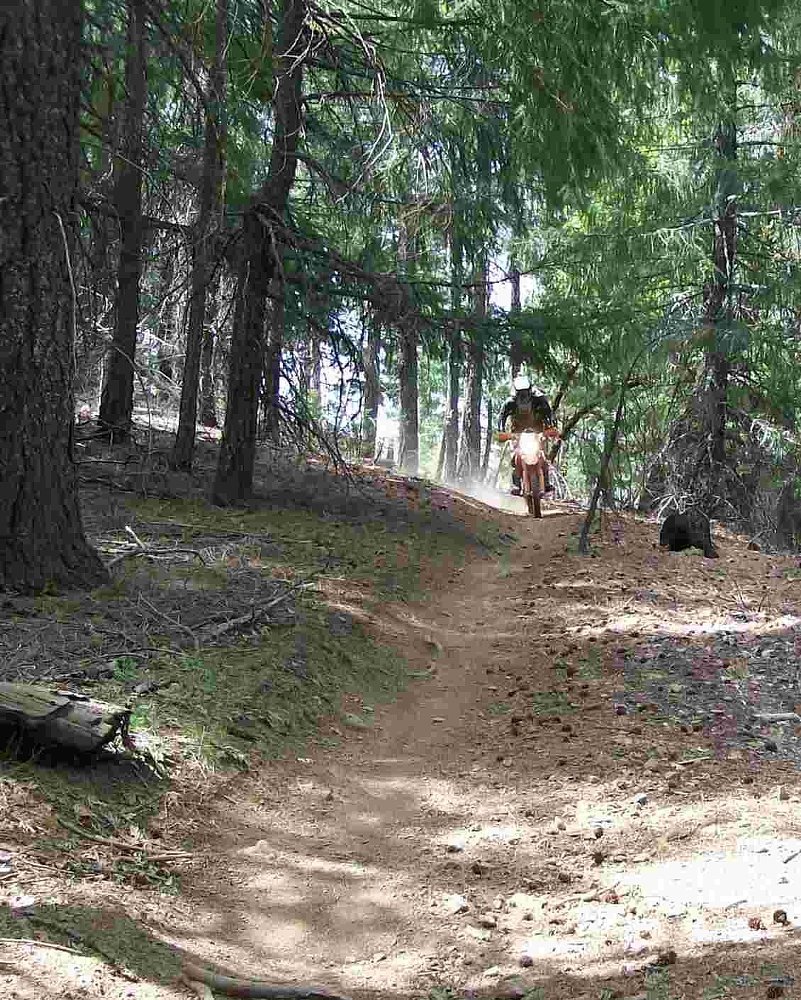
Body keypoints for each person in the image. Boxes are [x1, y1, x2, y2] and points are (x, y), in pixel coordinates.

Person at [498, 374, 557, 495]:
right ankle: (516, 485)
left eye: (525, 392)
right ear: (516, 392)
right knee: (515, 456)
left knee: (542, 455)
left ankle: (546, 482)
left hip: (537, 430)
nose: (523, 395)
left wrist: (551, 426)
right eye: (520, 393)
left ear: (530, 390)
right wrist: (502, 431)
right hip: (517, 432)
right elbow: (502, 417)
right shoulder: (510, 402)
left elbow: (549, 413)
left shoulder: (539, 398)